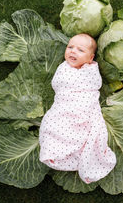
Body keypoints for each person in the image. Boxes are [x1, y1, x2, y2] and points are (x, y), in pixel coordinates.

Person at [39, 33, 116, 184]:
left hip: (82, 109)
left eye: (80, 50)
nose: (73, 51)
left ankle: (75, 151)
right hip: (63, 108)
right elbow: (58, 84)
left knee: (84, 131)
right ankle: (56, 150)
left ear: (91, 58)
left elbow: (93, 87)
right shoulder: (64, 68)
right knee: (52, 126)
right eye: (70, 47)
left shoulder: (90, 71)